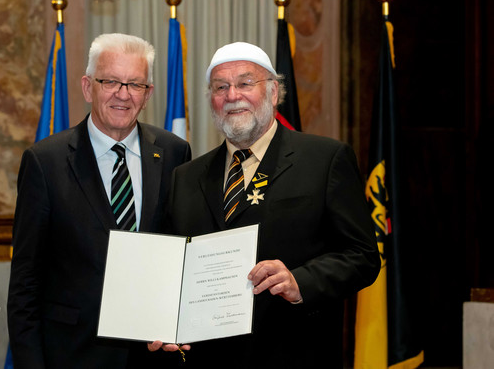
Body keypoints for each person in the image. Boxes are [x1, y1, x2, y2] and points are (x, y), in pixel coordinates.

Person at [150, 42, 380, 368]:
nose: (232, 95)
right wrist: (162, 321)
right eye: (220, 87)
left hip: (294, 353)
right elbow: (169, 269)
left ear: (273, 93)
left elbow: (363, 256)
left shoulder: (324, 160)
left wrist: (301, 281)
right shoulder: (185, 177)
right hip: (208, 360)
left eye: (245, 83)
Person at [7, 33, 191, 369]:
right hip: (72, 355)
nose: (123, 94)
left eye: (135, 84)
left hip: (153, 358)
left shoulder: (174, 152)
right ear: (88, 86)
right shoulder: (44, 162)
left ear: (148, 94)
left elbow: (179, 248)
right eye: (110, 82)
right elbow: (25, 285)